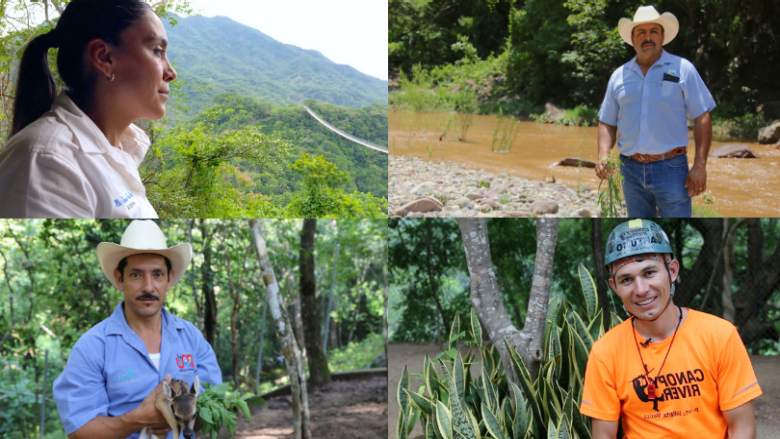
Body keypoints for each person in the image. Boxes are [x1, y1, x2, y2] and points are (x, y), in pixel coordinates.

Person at [579, 219, 761, 439]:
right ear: (614, 287)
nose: (641, 289)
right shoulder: (605, 352)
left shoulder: (720, 335)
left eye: (649, 273)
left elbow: (742, 428)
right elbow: (603, 436)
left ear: (672, 271)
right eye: (626, 279)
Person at [0, 0, 177, 218]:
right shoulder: (48, 162)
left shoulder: (119, 149)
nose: (171, 72)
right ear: (104, 57)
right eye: (157, 51)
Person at [53, 220, 222, 439]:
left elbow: (216, 402)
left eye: (158, 274)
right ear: (119, 279)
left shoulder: (191, 338)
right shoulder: (92, 348)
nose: (148, 286)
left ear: (169, 280)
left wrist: (181, 416)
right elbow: (78, 431)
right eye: (136, 275)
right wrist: (139, 418)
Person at [595, 6, 715, 218]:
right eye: (641, 32)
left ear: (663, 36)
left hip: (672, 168)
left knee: (677, 224)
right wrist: (603, 155)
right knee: (640, 228)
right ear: (632, 38)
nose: (647, 37)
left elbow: (702, 117)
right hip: (629, 169)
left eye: (653, 31)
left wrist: (700, 166)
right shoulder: (619, 76)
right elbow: (607, 122)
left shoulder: (682, 69)